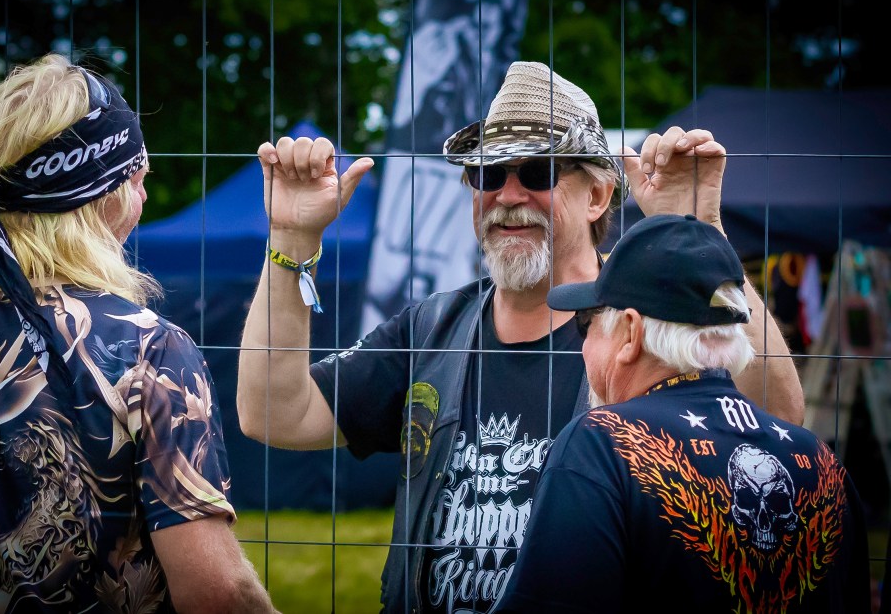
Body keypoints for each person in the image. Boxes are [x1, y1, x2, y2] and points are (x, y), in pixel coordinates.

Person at [236, 61, 804, 613]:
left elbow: (777, 415)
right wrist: (292, 236)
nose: (508, 196)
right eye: (488, 174)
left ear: (596, 197)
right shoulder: (433, 327)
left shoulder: (647, 323)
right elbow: (273, 413)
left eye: (537, 173)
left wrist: (704, 236)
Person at [0, 53, 276, 614]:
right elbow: (216, 592)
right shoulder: (148, 350)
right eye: (137, 179)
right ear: (101, 195)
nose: (144, 198)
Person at [494, 213, 871, 612]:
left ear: (630, 332)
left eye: (587, 324)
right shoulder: (822, 464)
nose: (583, 346)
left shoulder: (602, 444)